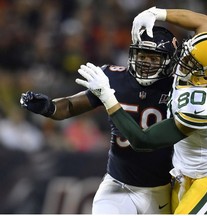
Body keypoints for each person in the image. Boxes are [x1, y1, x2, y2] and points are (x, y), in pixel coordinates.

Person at [75, 7, 207, 214]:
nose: (184, 57)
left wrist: (108, 97)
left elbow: (143, 141)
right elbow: (204, 22)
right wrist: (157, 13)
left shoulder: (201, 105)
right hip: (182, 174)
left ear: (204, 76)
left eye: (191, 60)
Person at [20, 26, 178, 214]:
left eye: (153, 58)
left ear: (169, 60)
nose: (146, 62)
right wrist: (49, 107)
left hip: (162, 188)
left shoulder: (178, 88)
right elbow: (71, 105)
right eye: (142, 55)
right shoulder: (114, 78)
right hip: (118, 185)